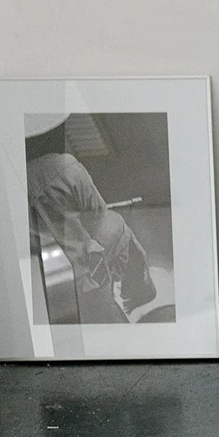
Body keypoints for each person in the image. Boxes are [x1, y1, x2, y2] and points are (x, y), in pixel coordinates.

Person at [25, 117, 157, 325]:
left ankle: (132, 283)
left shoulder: (9, 179)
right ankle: (136, 286)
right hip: (83, 274)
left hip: (41, 275)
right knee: (117, 225)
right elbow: (97, 217)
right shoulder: (65, 168)